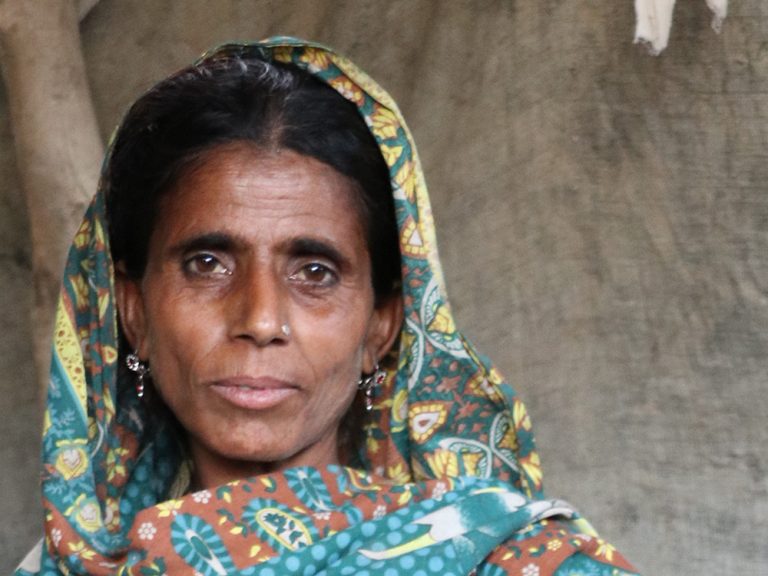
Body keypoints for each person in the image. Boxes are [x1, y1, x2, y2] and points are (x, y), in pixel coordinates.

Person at [15, 37, 638, 575]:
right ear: (134, 312)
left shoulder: (512, 563)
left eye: (315, 272)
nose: (260, 320)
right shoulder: (68, 567)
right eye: (207, 264)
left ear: (381, 327)